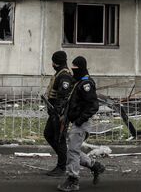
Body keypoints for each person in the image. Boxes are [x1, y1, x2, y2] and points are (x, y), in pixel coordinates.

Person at [58, 56, 106, 192]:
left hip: (81, 123)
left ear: (81, 68)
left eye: (75, 68)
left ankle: (73, 180)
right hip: (76, 121)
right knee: (73, 150)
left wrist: (80, 120)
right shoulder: (78, 82)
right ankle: (95, 166)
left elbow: (93, 105)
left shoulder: (86, 84)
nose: (73, 71)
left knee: (73, 151)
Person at [43, 50, 74, 176]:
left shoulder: (64, 76)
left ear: (55, 62)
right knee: (49, 134)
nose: (52, 64)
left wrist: (59, 114)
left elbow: (63, 96)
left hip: (59, 114)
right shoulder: (59, 74)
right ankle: (64, 159)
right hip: (54, 113)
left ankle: (62, 166)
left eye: (53, 61)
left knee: (59, 139)